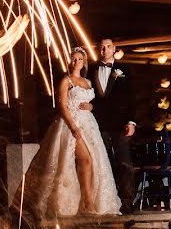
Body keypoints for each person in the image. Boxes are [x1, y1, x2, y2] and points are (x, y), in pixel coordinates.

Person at [18, 47, 120, 219]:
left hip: (89, 125)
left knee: (93, 161)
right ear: (69, 61)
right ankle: (87, 201)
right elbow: (63, 106)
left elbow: (89, 102)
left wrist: (91, 106)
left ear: (83, 63)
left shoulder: (87, 82)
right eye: (74, 59)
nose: (76, 62)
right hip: (71, 124)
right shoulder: (65, 81)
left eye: (80, 59)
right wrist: (73, 127)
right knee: (85, 160)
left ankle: (87, 202)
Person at [89, 38, 137, 214]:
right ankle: (109, 201)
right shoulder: (90, 70)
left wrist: (131, 121)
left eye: (108, 46)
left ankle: (127, 202)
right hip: (98, 124)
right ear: (97, 49)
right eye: (101, 47)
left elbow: (132, 97)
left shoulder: (125, 70)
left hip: (121, 125)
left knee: (125, 163)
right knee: (104, 163)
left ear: (114, 49)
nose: (104, 49)